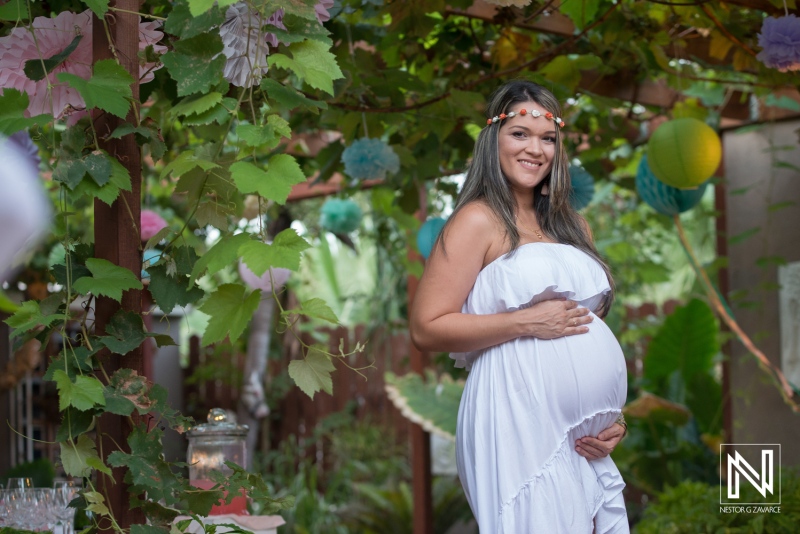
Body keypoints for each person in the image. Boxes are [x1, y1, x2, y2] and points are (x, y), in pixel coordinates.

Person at [410, 80, 629, 533]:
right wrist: (523, 321)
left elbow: (581, 330)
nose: (536, 149)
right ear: (494, 139)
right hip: (513, 413)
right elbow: (426, 328)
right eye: (520, 134)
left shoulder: (573, 227)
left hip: (581, 437)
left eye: (548, 138)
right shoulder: (477, 220)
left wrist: (609, 419)